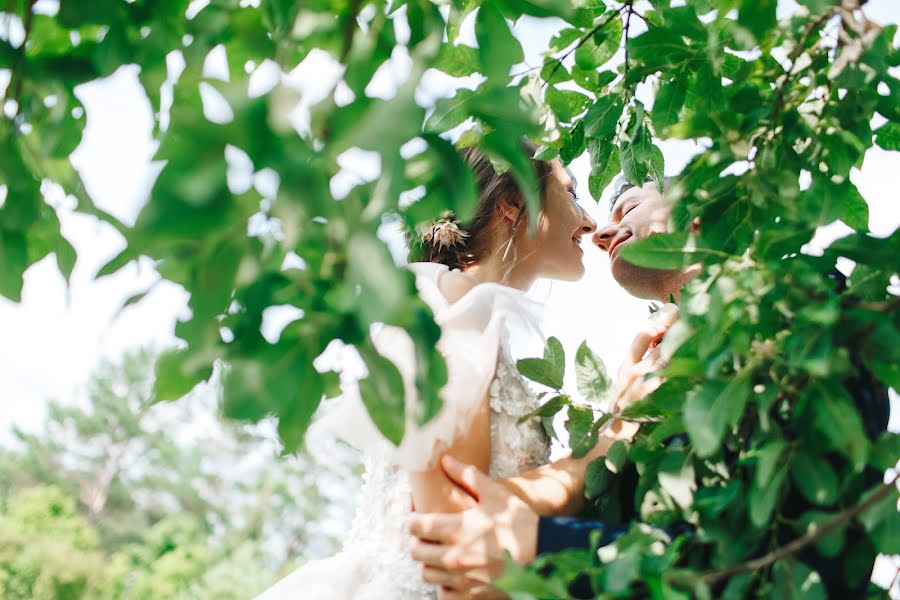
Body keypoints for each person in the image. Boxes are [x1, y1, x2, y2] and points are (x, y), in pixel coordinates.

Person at [409, 176, 890, 598]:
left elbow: (776, 554)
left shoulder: (795, 299)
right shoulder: (650, 379)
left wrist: (544, 546)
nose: (599, 233)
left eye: (629, 207)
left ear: (701, 210)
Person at [255, 144, 650, 600]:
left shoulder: (452, 306)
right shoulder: (452, 302)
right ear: (513, 202)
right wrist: (614, 435)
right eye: (571, 193)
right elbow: (460, 531)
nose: (589, 222)